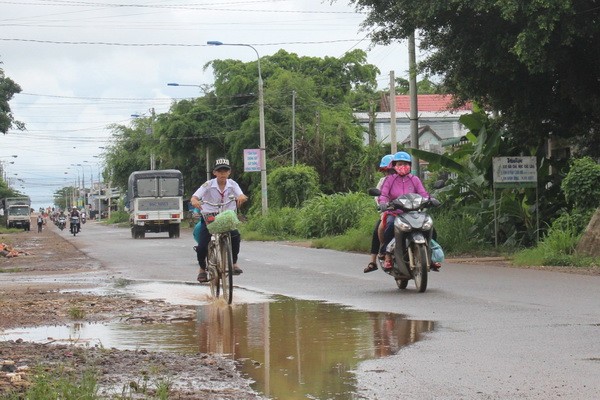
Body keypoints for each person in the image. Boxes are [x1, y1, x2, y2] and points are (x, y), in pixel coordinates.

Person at [190, 158, 248, 283]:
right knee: (202, 246)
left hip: (227, 218)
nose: (222, 173)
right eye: (219, 171)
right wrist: (195, 201)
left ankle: (234, 263)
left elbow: (241, 194)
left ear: (229, 172)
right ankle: (202, 269)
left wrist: (242, 198)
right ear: (214, 172)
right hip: (210, 218)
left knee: (235, 236)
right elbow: (195, 196)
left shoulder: (233, 184)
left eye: (225, 171)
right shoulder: (208, 184)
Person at [378, 151, 430, 270]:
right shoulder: (389, 180)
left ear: (410, 165)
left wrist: (429, 200)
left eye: (405, 164)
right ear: (394, 165)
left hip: (414, 213)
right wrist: (383, 203)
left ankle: (431, 256)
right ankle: (388, 256)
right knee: (390, 226)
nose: (403, 166)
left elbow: (423, 193)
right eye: (400, 164)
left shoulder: (415, 179)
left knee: (429, 227)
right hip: (395, 213)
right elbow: (384, 194)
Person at [364, 154, 395, 273]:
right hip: (391, 212)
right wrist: (384, 205)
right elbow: (379, 198)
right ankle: (374, 260)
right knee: (379, 229)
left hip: (408, 212)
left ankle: (431, 254)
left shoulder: (409, 179)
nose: (388, 173)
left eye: (391, 170)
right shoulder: (383, 181)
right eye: (386, 171)